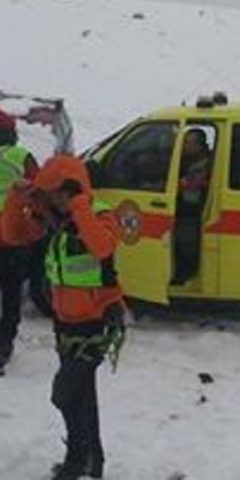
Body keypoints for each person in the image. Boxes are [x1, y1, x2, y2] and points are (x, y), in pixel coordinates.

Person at [2, 154, 126, 480]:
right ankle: (90, 461)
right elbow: (13, 235)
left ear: (72, 190)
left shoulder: (99, 216)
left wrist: (79, 205)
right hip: (66, 323)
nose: (53, 199)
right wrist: (18, 198)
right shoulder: (52, 220)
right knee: (83, 396)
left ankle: (77, 461)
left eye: (58, 192)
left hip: (97, 321)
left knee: (66, 393)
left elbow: (100, 248)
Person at [0, 108, 38, 371]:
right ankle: (4, 345)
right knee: (11, 295)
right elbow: (40, 190)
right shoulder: (22, 157)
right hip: (13, 238)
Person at [172, 129, 212, 284]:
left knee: (186, 245)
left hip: (192, 211)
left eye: (188, 142)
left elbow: (184, 185)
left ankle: (185, 274)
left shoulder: (202, 165)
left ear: (199, 145)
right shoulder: (189, 160)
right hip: (189, 206)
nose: (184, 145)